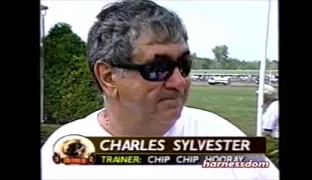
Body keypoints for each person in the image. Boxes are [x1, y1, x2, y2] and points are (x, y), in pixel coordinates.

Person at [41, 0, 279, 179]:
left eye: (184, 65)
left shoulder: (222, 138)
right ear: (108, 77)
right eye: (158, 68)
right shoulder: (65, 154)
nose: (179, 82)